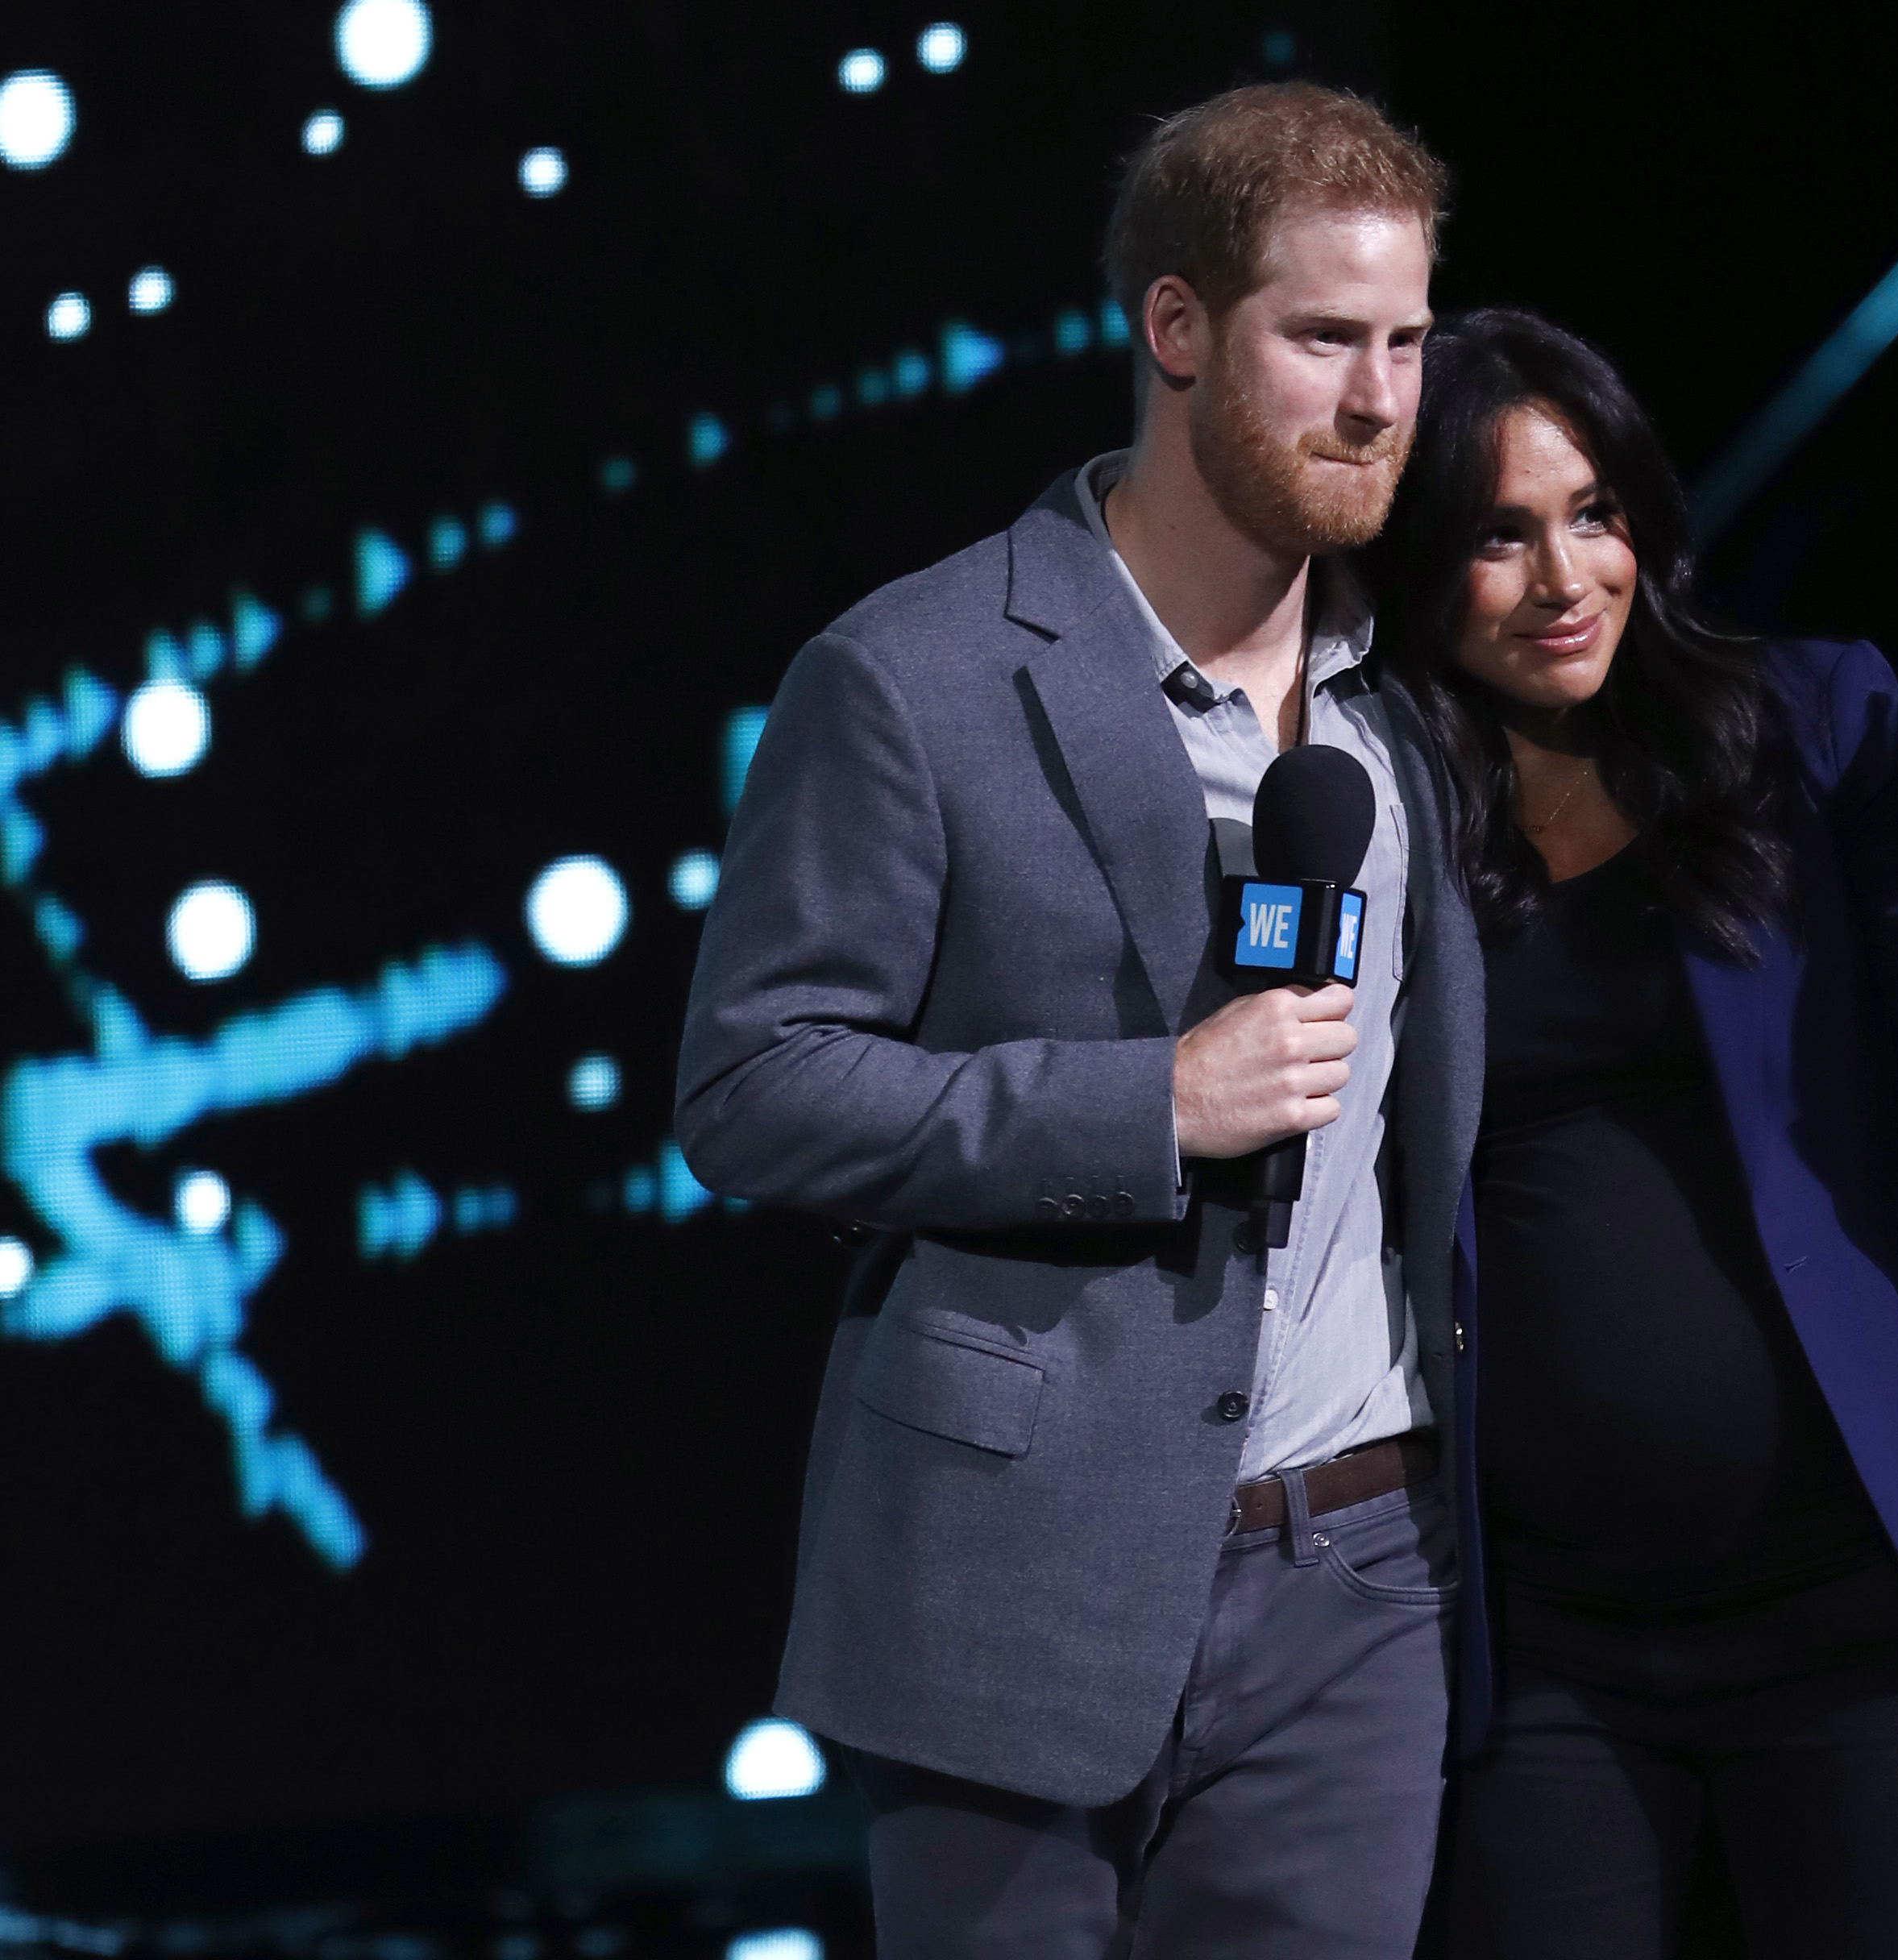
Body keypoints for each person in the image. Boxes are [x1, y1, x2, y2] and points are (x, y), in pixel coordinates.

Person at [674, 85, 1487, 1958]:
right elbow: (752, 1088)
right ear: (1179, 330)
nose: (1377, 400)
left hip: (1363, 1572)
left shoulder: (1413, 703)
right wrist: (1150, 1104)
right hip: (1013, 1578)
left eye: (1406, 343)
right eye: (1322, 340)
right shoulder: (916, 674)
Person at [1362, 308, 1898, 1959]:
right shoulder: (1369, 805)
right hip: (1547, 1642)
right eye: (1498, 535)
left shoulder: (1816, 727)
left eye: (1593, 514)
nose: (1564, 577)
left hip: (1870, 1605)